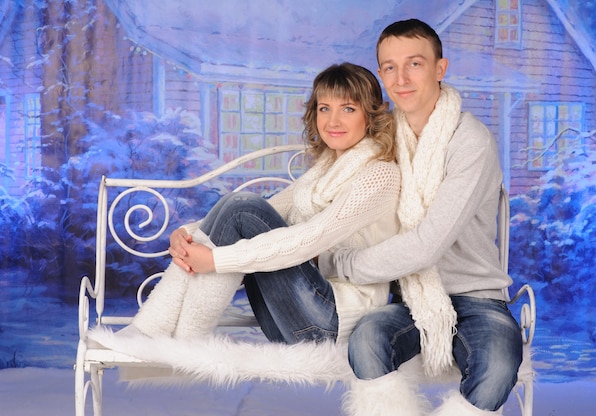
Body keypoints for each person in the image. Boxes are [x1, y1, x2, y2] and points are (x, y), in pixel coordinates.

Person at [320, 20, 523, 416]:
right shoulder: (379, 137)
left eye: (414, 63)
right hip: (407, 295)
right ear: (381, 74)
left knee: (498, 364)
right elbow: (318, 192)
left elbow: (427, 244)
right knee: (366, 341)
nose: (401, 78)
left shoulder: (470, 140)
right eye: (389, 67)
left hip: (477, 297)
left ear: (440, 69)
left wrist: (338, 263)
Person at [123, 62, 402, 347]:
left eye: (348, 109)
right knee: (240, 207)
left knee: (243, 207)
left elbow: (311, 237)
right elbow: (274, 207)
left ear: (371, 115)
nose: (333, 121)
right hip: (289, 315)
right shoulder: (327, 168)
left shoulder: (379, 174)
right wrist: (186, 233)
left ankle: (163, 333)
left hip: (331, 325)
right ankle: (167, 334)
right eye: (324, 108)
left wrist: (215, 261)